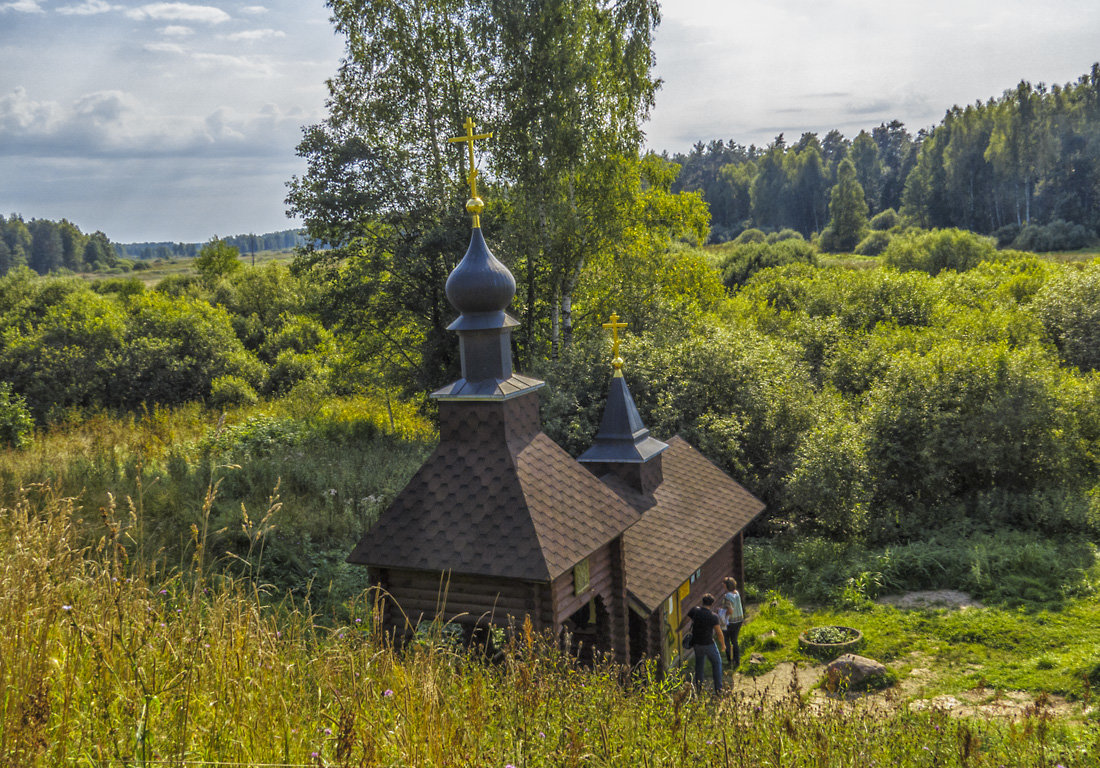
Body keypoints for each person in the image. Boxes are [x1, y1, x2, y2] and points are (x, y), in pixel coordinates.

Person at [687, 593, 724, 693]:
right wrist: (723, 645)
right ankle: (718, 689)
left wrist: (678, 630)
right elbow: (719, 633)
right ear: (712, 604)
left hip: (697, 644)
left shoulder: (695, 610)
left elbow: (685, 620)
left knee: (699, 665)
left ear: (702, 601)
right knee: (717, 663)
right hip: (708, 644)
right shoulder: (713, 616)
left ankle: (699, 688)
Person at [718, 577, 744, 669]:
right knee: (735, 640)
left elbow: (730, 610)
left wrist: (722, 614)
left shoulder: (728, 596)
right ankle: (737, 661)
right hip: (739, 619)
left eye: (723, 584)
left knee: (727, 641)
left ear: (726, 585)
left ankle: (730, 661)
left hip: (731, 621)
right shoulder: (736, 593)